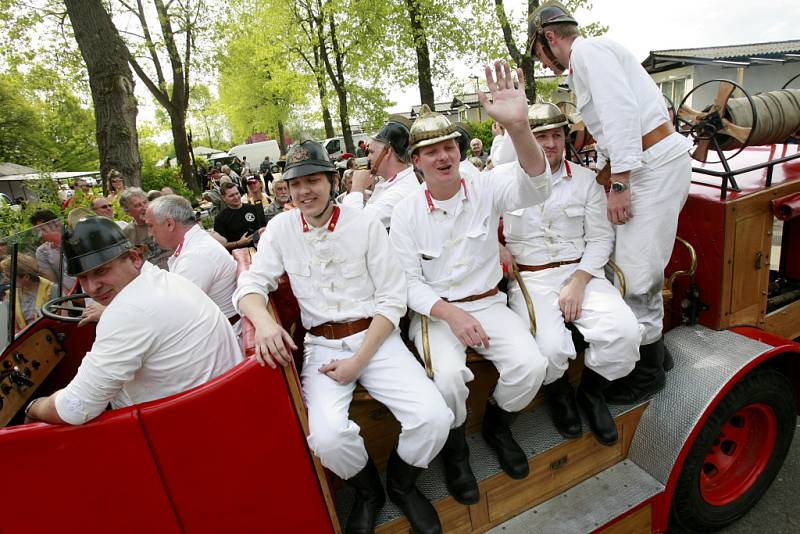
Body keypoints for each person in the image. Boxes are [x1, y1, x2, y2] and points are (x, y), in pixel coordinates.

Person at [234, 140, 453, 534]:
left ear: (333, 181)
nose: (304, 191)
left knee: (434, 417)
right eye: (296, 183)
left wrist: (358, 361)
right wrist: (265, 323)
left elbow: (392, 299)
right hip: (320, 346)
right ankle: (369, 493)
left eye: (313, 180)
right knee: (328, 438)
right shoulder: (282, 229)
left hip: (377, 338)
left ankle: (403, 485)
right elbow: (251, 284)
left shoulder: (364, 223)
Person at [389, 62, 551, 504]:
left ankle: (498, 427)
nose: (443, 156)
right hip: (437, 312)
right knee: (446, 381)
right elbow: (408, 284)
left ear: (460, 151)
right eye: (431, 151)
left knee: (531, 366)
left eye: (449, 147)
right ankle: (457, 451)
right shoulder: (405, 213)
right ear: (416, 162)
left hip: (488, 303)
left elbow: (537, 187)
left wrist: (518, 127)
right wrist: (451, 315)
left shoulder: (485, 185)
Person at [529, 1, 692, 403]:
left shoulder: (587, 52)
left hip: (649, 168)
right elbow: (615, 122)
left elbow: (620, 113)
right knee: (628, 264)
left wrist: (619, 182)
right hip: (646, 163)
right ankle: (654, 352)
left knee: (637, 274)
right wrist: (607, 170)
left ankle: (648, 374)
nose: (543, 63)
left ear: (550, 38)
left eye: (539, 53)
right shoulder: (594, 56)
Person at [500, 102, 641, 446]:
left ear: (565, 138)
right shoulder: (501, 180)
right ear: (525, 140)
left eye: (556, 135)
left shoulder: (586, 182)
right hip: (530, 278)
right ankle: (559, 394)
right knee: (547, 350)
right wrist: (496, 245)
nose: (550, 143)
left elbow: (600, 238)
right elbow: (476, 220)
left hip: (581, 272)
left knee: (625, 333)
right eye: (541, 136)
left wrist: (578, 282)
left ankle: (591, 394)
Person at [23, 217, 242, 425]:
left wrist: (33, 407)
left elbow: (76, 408)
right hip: (217, 406)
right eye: (83, 278)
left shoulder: (127, 312)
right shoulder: (162, 279)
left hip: (188, 426)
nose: (91, 287)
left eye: (101, 271)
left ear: (134, 258)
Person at [145, 195, 240, 328]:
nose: (149, 233)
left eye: (150, 226)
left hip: (224, 337)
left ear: (169, 224)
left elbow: (175, 314)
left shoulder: (196, 255)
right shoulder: (196, 244)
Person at [344, 115, 420, 229]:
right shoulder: (395, 183)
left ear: (387, 151)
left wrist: (356, 189)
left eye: (371, 152)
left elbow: (352, 227)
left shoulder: (401, 192)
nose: (368, 158)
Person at [0, 253, 58, 333]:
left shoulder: (52, 290)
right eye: (5, 276)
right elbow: (12, 328)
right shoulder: (10, 295)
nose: (6, 280)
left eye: (9, 276)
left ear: (26, 276)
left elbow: (59, 321)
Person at [120, 188, 173, 269]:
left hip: (177, 266)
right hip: (154, 275)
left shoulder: (165, 219)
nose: (144, 207)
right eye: (137, 205)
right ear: (128, 212)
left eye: (145, 202)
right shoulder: (127, 233)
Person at [29, 210, 76, 292]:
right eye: (37, 231)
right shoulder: (42, 251)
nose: (39, 235)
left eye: (42, 230)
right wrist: (73, 298)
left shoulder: (75, 238)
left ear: (56, 225)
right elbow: (53, 283)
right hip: (71, 296)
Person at [213, 182, 267, 250]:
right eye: (231, 195)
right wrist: (238, 243)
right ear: (223, 198)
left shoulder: (253, 208)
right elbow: (220, 245)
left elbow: (265, 229)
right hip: (239, 255)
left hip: (260, 250)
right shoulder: (220, 219)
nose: (236, 197)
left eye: (237, 193)